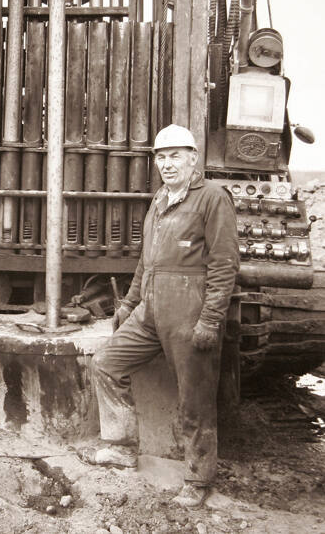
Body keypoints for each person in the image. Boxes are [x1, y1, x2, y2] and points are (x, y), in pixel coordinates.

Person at [78, 124, 240, 508]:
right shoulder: (160, 200)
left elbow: (224, 265)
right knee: (106, 363)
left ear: (193, 158)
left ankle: (198, 479)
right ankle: (120, 447)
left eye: (175, 156)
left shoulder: (213, 198)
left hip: (190, 309)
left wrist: (210, 319)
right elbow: (147, 263)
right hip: (151, 308)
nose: (167, 164)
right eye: (161, 157)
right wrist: (129, 305)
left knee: (195, 398)